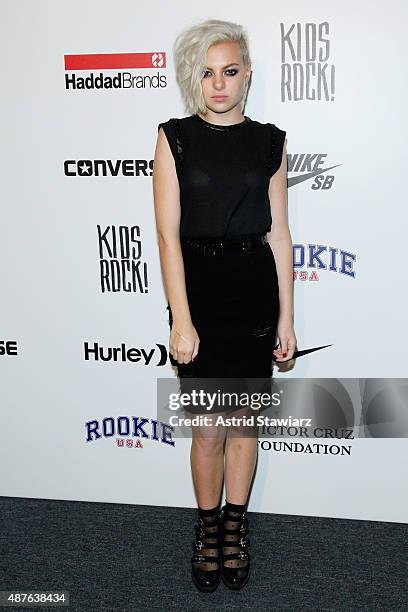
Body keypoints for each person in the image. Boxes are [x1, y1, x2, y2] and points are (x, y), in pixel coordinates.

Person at [152, 18, 297, 592]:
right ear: (195, 78)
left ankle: (235, 528)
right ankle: (207, 527)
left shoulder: (270, 141)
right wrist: (181, 319)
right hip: (201, 295)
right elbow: (166, 236)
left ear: (247, 75)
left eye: (230, 71)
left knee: (242, 426)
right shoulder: (174, 136)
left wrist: (287, 318)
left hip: (253, 292)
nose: (218, 84)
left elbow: (280, 235)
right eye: (207, 73)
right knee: (208, 431)